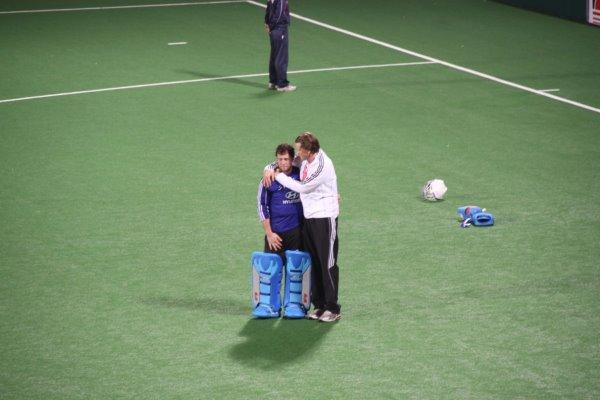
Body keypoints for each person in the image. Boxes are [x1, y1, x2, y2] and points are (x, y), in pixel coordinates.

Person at [269, 132, 341, 323]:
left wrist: (278, 176)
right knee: (314, 262)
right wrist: (269, 169)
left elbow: (303, 187)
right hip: (309, 218)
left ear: (308, 151)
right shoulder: (306, 158)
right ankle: (319, 305)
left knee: (327, 263)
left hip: (324, 217)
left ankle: (332, 307)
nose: (296, 154)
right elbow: (283, 161)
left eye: (299, 150)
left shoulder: (322, 166)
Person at [257, 144, 303, 261]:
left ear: (292, 159)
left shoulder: (300, 174)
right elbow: (262, 207)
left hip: (296, 233)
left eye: (286, 159)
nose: (283, 163)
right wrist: (269, 234)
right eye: (280, 159)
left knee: (295, 270)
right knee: (271, 270)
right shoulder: (268, 179)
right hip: (275, 235)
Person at [264, 0, 296, 92]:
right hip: (279, 28)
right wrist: (272, 26)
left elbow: (268, 10)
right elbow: (279, 15)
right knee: (281, 57)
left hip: (273, 30)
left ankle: (273, 82)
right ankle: (282, 85)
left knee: (274, 56)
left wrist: (267, 24)